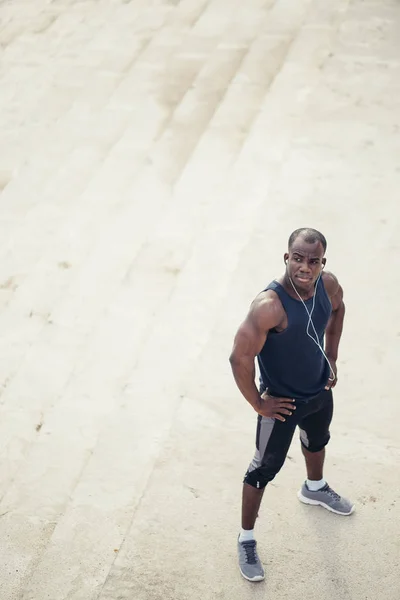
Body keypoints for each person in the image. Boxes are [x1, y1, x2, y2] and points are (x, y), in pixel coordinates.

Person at [229, 227, 354, 582]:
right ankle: (246, 538)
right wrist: (259, 403)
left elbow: (339, 308)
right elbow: (239, 358)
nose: (305, 267)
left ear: (322, 263)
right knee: (261, 471)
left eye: (313, 261)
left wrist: (331, 356)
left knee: (318, 440)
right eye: (298, 258)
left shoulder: (327, 285)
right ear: (287, 257)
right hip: (281, 403)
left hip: (318, 391)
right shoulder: (269, 306)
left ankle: (314, 489)